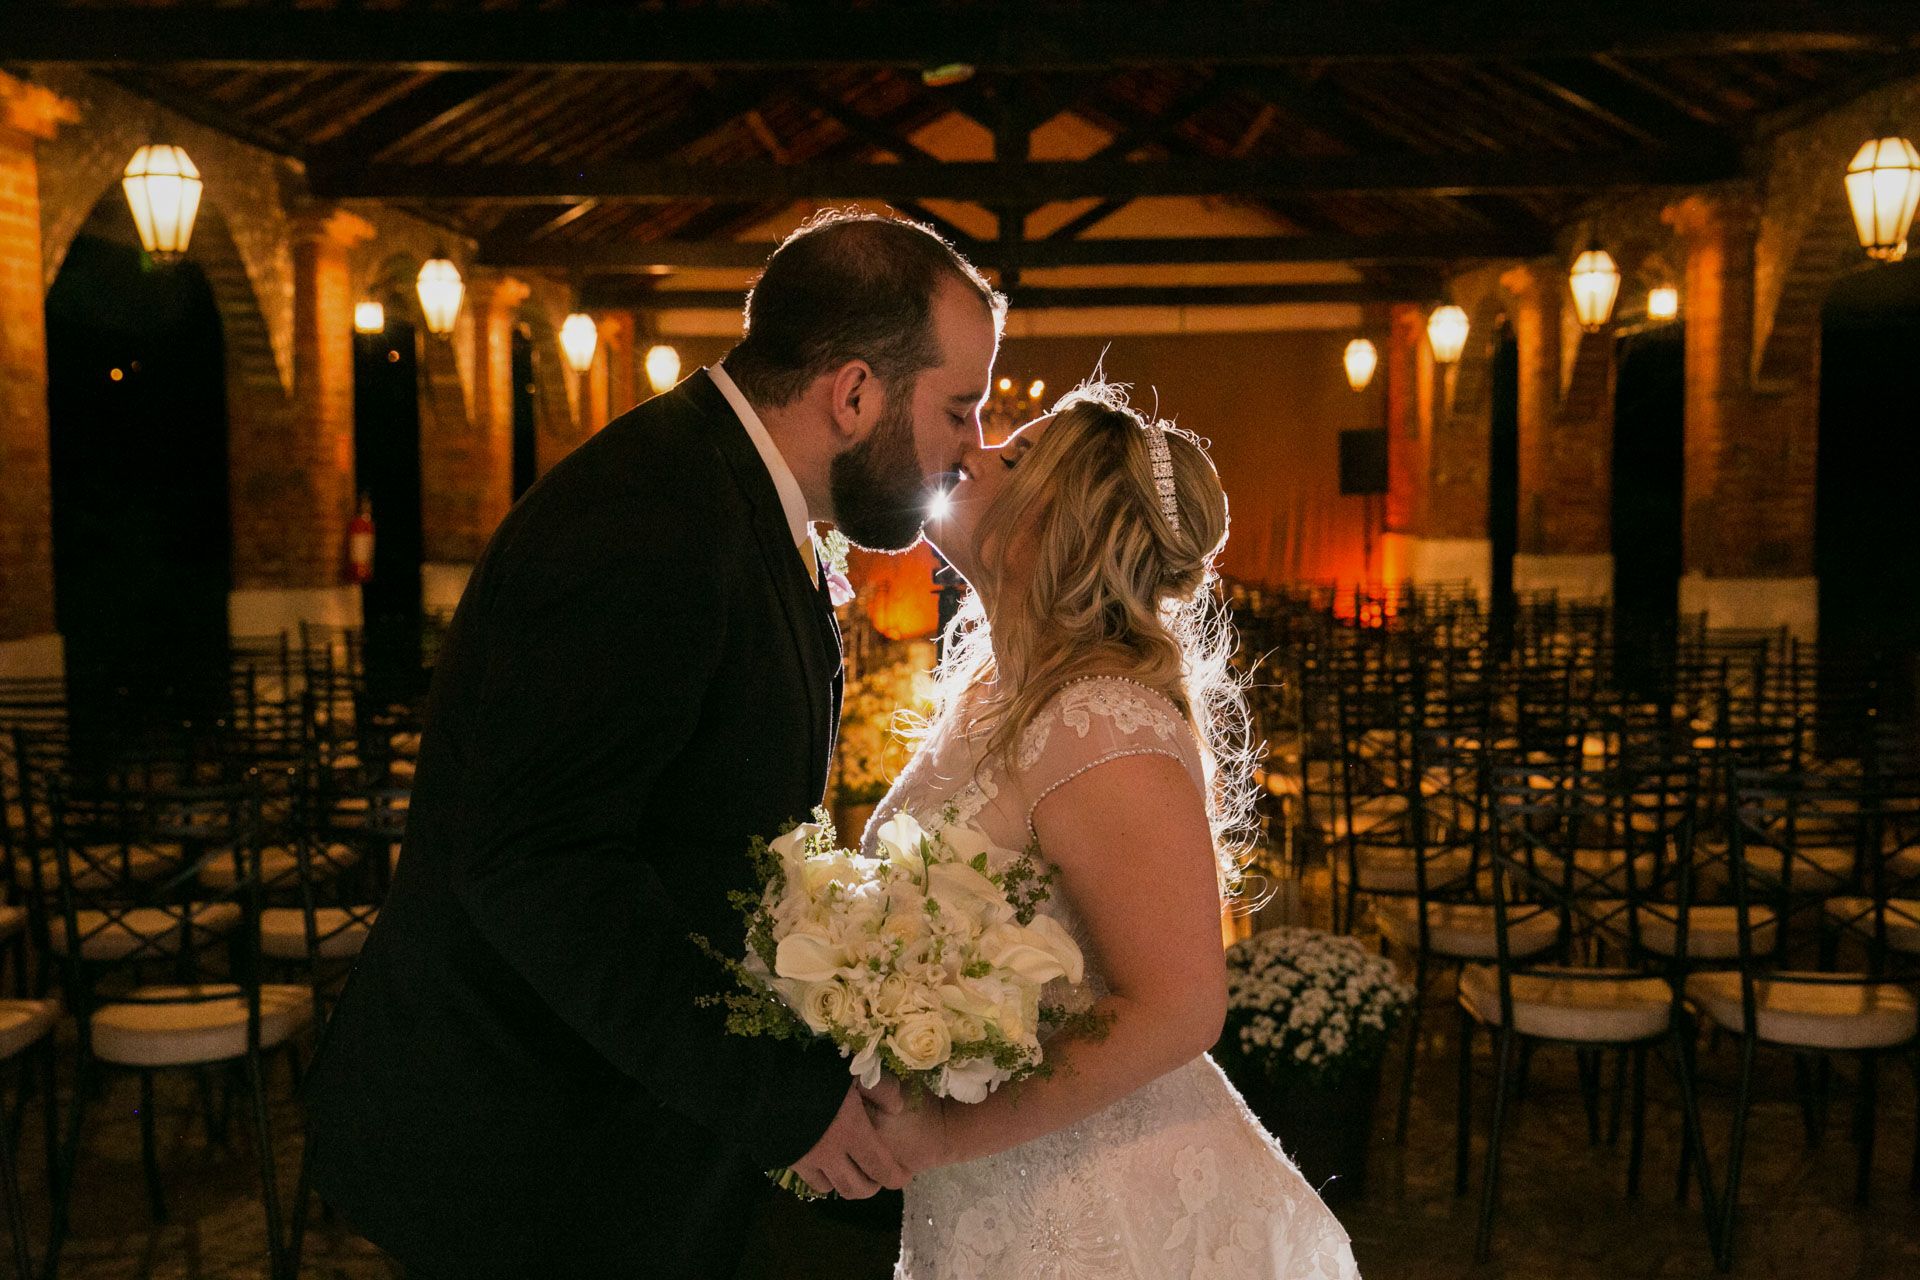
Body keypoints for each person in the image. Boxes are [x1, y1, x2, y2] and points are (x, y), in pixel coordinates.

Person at [298, 210, 1003, 1279]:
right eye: (961, 407)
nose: (971, 446)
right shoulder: (647, 517)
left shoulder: (733, 493)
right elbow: (539, 863)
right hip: (521, 1144)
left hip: (617, 1122)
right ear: (853, 393)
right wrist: (779, 1095)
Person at [861, 385, 1363, 1279]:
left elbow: (1178, 1009)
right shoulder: (995, 694)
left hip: (1106, 1218)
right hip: (990, 1198)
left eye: (1013, 458)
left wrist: (946, 1132)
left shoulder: (1101, 723)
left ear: (1065, 525)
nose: (973, 453)